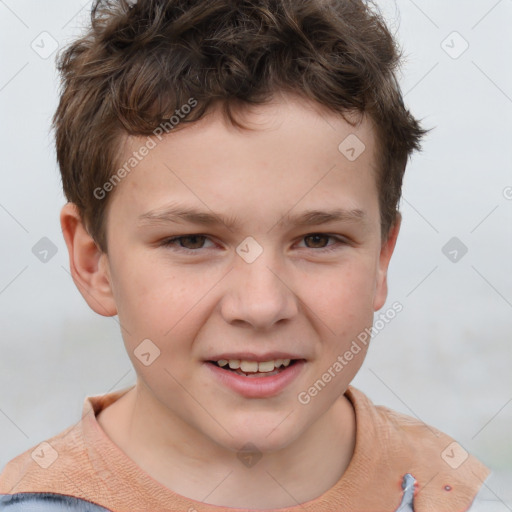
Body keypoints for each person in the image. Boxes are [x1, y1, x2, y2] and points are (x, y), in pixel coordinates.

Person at [0, 0, 495, 510]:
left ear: (381, 260)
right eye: (191, 241)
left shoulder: (453, 491)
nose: (261, 306)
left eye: (319, 240)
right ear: (92, 263)